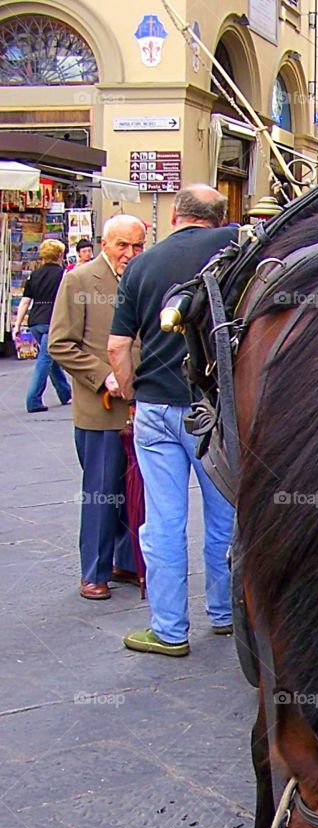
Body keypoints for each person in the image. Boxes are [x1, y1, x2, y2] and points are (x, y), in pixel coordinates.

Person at [108, 185, 237, 657]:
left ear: (175, 214)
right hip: (214, 410)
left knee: (162, 520)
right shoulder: (235, 248)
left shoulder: (142, 264)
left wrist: (130, 393)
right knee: (225, 515)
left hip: (156, 408)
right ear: (219, 216)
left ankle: (169, 629)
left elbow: (118, 346)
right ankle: (225, 613)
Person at [49, 215, 147, 600]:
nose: (130, 254)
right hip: (100, 409)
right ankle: (94, 571)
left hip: (139, 405)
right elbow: (60, 343)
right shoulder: (78, 279)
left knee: (132, 491)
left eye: (137, 246)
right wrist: (102, 375)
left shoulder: (143, 276)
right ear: (105, 243)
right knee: (101, 493)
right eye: (123, 245)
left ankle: (124, 561)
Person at [11, 239, 72, 413]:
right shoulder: (63, 274)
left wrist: (17, 325)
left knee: (50, 358)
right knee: (44, 360)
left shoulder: (34, 275)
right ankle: (33, 399)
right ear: (60, 255)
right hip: (53, 320)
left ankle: (65, 392)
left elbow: (25, 302)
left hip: (35, 321)